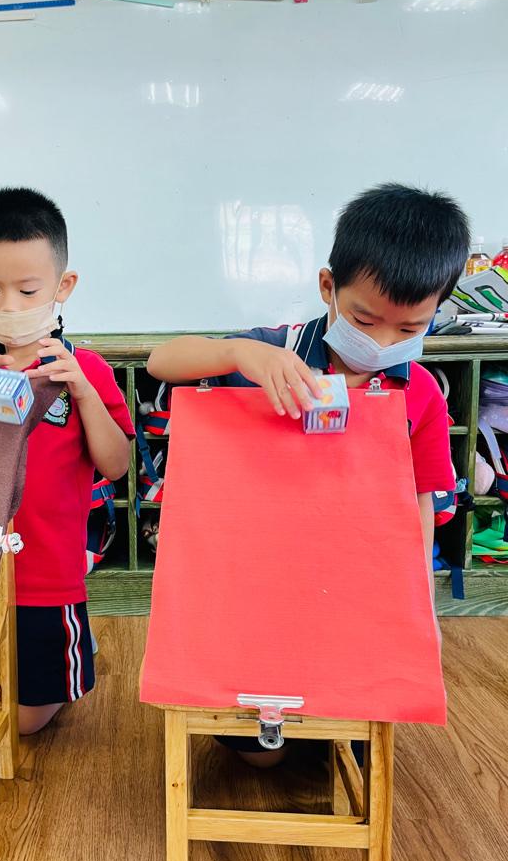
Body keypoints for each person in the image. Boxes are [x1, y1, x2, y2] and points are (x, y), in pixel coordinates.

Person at [147, 183, 468, 766]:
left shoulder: (419, 391)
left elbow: (420, 505)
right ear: (327, 287)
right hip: (263, 583)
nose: (381, 342)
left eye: (409, 329)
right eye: (365, 319)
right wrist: (238, 353)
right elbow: (160, 362)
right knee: (263, 754)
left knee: (347, 729)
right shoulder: (277, 352)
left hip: (353, 589)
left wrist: (420, 607)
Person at [0, 187, 134, 735]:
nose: (10, 306)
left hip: (47, 572)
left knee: (23, 722)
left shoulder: (86, 369)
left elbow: (117, 465)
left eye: (28, 290)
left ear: (62, 287)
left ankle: (75, 641)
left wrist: (84, 394)